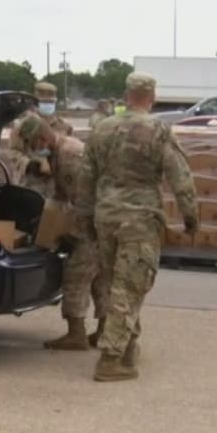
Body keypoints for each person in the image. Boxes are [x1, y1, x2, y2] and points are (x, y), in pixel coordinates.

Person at [77, 72, 197, 382]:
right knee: (130, 285)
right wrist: (190, 217)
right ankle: (111, 359)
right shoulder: (158, 130)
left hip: (105, 217)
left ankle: (128, 346)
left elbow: (85, 177)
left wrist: (85, 218)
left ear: (126, 95)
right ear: (152, 97)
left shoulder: (102, 128)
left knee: (116, 283)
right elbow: (180, 177)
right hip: (140, 219)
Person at [19, 116, 107, 350]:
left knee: (75, 275)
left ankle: (76, 335)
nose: (34, 149)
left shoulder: (69, 156)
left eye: (33, 144)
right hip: (97, 223)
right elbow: (60, 196)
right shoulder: (58, 152)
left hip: (93, 226)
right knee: (100, 278)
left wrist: (70, 232)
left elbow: (85, 200)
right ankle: (106, 331)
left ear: (42, 138)